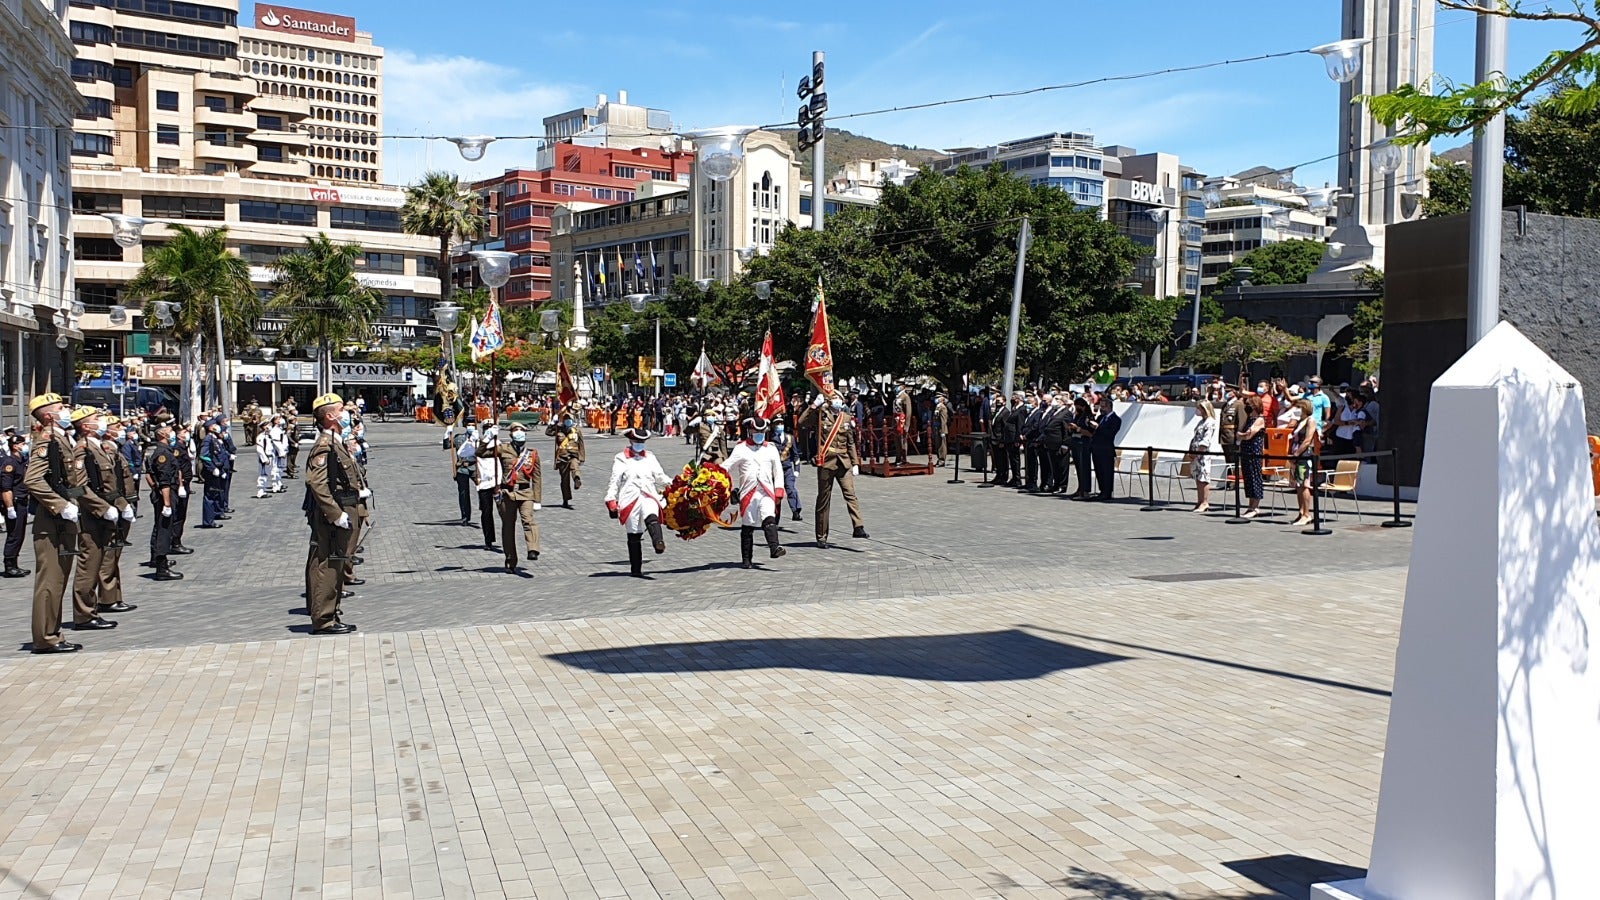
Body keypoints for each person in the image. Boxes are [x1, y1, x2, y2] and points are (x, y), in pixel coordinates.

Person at [22, 393, 85, 654]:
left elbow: (69, 483)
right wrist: (60, 506)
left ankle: (54, 633)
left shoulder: (62, 440)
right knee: (50, 582)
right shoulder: (47, 441)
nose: (67, 410)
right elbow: (32, 480)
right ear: (49, 415)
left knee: (58, 580)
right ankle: (46, 638)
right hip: (51, 523)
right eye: (61, 408)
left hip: (64, 520)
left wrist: (78, 503)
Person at [302, 393, 368, 635]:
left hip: (343, 507)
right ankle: (324, 618)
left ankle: (330, 612)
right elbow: (316, 483)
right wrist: (335, 514)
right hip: (333, 514)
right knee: (329, 564)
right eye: (342, 410)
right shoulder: (325, 444)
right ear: (330, 416)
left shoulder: (335, 440)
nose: (347, 414)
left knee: (336, 563)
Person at [69, 407, 126, 632]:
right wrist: (102, 508)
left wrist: (120, 504)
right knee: (89, 565)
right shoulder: (82, 450)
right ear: (85, 426)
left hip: (102, 513)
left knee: (100, 561)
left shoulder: (97, 447)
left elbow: (108, 483)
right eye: (96, 419)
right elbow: (79, 487)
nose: (102, 421)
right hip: (90, 516)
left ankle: (92, 610)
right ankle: (84, 615)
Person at [797, 391, 868, 549]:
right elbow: (802, 422)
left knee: (850, 494)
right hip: (827, 462)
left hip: (843, 462)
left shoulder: (846, 418)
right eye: (834, 398)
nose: (837, 401)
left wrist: (855, 463)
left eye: (839, 399)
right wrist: (814, 405)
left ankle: (858, 527)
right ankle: (821, 536)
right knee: (824, 499)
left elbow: (850, 442)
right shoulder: (821, 416)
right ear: (828, 401)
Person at [604, 427, 671, 578]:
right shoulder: (621, 458)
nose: (640, 443)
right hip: (630, 498)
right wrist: (611, 500)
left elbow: (660, 476)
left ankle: (658, 543)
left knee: (651, 513)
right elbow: (614, 481)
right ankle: (636, 568)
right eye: (637, 440)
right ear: (631, 441)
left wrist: (676, 483)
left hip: (648, 494)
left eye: (642, 441)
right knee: (634, 533)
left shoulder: (650, 457)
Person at [723, 416, 787, 568]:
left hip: (766, 491)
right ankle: (746, 559)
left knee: (768, 516)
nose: (759, 434)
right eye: (756, 431)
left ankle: (774, 547)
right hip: (748, 492)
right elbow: (726, 467)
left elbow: (778, 470)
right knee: (748, 524)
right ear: (750, 431)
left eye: (762, 431)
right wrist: (711, 473)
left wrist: (779, 489)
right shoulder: (741, 448)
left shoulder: (771, 449)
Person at [494, 423, 542, 573]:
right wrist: (487, 438)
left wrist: (537, 500)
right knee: (508, 527)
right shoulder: (503, 449)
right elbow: (482, 453)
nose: (519, 433)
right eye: (516, 430)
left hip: (525, 493)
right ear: (511, 434)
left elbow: (537, 478)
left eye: (522, 431)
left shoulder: (532, 453)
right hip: (508, 493)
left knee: (528, 520)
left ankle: (533, 549)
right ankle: (510, 558)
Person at [144, 424, 183, 581]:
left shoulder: (164, 451)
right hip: (166, 496)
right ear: (162, 435)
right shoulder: (162, 454)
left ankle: (162, 561)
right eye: (169, 432)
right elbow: (164, 481)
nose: (172, 434)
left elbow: (149, 475)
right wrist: (166, 503)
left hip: (164, 494)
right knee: (164, 530)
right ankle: (161, 568)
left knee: (163, 528)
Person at [1288, 397, 1320, 526]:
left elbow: (1307, 440)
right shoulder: (1300, 421)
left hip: (1304, 456)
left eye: (1299, 407)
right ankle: (1301, 512)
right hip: (1296, 455)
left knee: (1304, 484)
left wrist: (1296, 454)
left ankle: (1307, 514)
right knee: (1298, 485)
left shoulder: (1310, 420)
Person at [1, 433, 30, 578]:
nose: (24, 445)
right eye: (22, 443)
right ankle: (9, 565)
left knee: (19, 535)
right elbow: (6, 488)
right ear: (15, 446)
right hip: (15, 503)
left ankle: (15, 563)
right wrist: (10, 507)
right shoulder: (9, 462)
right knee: (13, 535)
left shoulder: (22, 460)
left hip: (23, 502)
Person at [546, 411, 586, 509]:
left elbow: (581, 444)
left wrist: (582, 457)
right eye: (566, 419)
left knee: (574, 466)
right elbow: (548, 433)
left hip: (573, 455)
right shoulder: (558, 429)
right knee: (564, 480)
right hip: (562, 457)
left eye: (569, 418)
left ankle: (577, 479)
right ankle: (565, 499)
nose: (567, 420)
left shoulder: (576, 430)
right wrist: (552, 423)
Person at [1085, 394, 1121, 502]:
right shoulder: (1101, 418)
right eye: (1101, 407)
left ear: (1109, 407)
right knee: (1099, 471)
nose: (1101, 409)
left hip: (1106, 449)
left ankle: (1107, 492)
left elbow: (1110, 433)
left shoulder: (1116, 419)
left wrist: (1098, 427)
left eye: (1103, 407)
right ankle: (1102, 491)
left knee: (1106, 472)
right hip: (1096, 448)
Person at [1239, 395, 1268, 519]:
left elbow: (1248, 435)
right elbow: (1240, 433)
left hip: (1254, 452)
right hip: (1245, 451)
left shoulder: (1260, 419)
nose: (1247, 407)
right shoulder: (1248, 419)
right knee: (1248, 479)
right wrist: (1242, 435)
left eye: (1250, 405)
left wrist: (1243, 435)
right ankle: (1250, 506)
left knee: (1255, 477)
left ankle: (1255, 507)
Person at [771, 417, 803, 522]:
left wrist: (797, 469)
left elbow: (795, 455)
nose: (779, 425)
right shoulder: (770, 439)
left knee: (791, 489)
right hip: (775, 471)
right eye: (777, 423)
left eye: (781, 423)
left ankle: (796, 511)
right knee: (777, 494)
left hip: (787, 468)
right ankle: (775, 517)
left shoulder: (790, 438)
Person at [1189, 400, 1218, 513]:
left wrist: (1198, 452)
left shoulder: (1210, 422)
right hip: (1196, 453)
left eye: (1200, 408)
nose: (1198, 410)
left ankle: (1205, 502)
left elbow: (1206, 439)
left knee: (1204, 478)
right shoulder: (1201, 422)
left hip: (1203, 454)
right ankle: (1199, 500)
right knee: (1198, 477)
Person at [445, 423, 475, 524]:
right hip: (462, 467)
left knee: (483, 490)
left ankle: (485, 510)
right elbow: (447, 446)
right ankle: (465, 516)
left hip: (476, 467)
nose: (471, 426)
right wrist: (447, 434)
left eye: (473, 424)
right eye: (469, 424)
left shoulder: (480, 438)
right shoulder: (459, 438)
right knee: (463, 493)